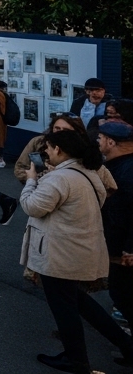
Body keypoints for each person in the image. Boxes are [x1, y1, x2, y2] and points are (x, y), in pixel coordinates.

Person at [20, 128, 133, 373]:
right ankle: (127, 345)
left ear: (59, 150)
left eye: (48, 149)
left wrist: (31, 179)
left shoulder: (60, 178)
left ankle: (76, 359)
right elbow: (110, 188)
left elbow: (32, 206)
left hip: (59, 252)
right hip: (81, 247)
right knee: (79, 302)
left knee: (64, 308)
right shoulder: (90, 170)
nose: (46, 154)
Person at [96, 120, 133, 326]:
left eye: (100, 138)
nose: (98, 142)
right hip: (118, 243)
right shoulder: (117, 166)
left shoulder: (126, 172)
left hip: (123, 249)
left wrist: (130, 248)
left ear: (110, 142)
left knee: (123, 293)